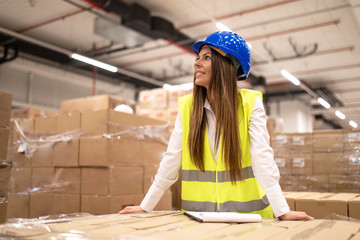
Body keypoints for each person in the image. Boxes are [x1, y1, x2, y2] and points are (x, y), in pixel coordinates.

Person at [120, 31, 313, 220]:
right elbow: (171, 159)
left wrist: (282, 210)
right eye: (198, 57)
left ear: (227, 65)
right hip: (198, 219)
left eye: (206, 57)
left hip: (248, 220)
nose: (197, 63)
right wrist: (146, 206)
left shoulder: (250, 103)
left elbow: (262, 157)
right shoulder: (188, 107)